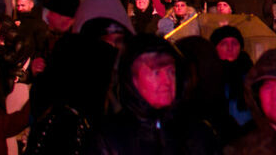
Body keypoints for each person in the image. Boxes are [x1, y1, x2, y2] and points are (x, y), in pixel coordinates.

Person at [89, 34, 221, 154]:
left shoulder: (199, 133)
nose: (167, 81)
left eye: (171, 72)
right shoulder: (108, 139)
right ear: (132, 79)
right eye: (156, 73)